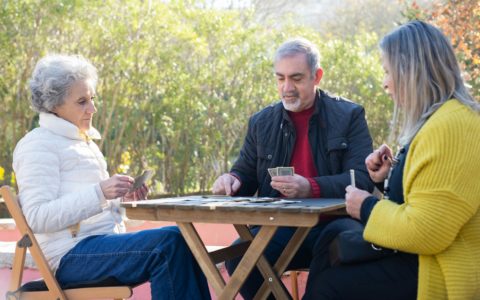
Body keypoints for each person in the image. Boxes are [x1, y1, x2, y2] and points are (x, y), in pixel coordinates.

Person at [305, 20, 480, 300]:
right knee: (331, 238)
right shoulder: (441, 120)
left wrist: (366, 207)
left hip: (437, 271)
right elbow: (432, 195)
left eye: (388, 71)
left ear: (412, 71)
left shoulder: (453, 126)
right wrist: (388, 177)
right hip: (420, 260)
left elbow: (427, 231)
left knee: (332, 286)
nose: (385, 83)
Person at [13, 54, 210, 300]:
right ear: (54, 105)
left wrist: (122, 201)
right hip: (69, 257)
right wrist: (100, 192)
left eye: (92, 99)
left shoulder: (84, 144)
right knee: (168, 243)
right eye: (82, 101)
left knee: (182, 236)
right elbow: (38, 218)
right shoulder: (37, 145)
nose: (92, 108)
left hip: (98, 247)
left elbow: (101, 213)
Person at [211, 37, 374, 299]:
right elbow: (245, 173)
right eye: (280, 78)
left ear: (317, 76)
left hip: (335, 223)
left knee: (338, 253)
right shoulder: (261, 122)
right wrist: (231, 179)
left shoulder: (350, 115)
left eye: (296, 78)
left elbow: (362, 179)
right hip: (280, 226)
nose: (287, 87)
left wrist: (311, 187)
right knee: (241, 257)